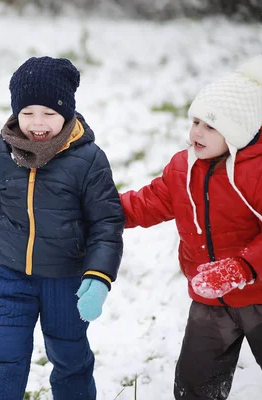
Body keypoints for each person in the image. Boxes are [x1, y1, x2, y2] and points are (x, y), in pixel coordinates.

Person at [0, 56, 125, 400]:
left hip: (66, 279)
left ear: (67, 113)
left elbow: (106, 221)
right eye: (27, 113)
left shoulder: (87, 160)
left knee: (70, 357)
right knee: (2, 357)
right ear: (15, 113)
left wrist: (99, 275)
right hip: (10, 275)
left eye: (49, 113)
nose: (38, 123)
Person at [120, 55, 262, 400]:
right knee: (196, 384)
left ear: (239, 133)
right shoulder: (183, 168)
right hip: (209, 296)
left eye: (211, 126)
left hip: (259, 293)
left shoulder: (256, 172)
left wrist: (243, 266)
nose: (196, 131)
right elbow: (149, 202)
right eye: (196, 120)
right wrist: (101, 212)